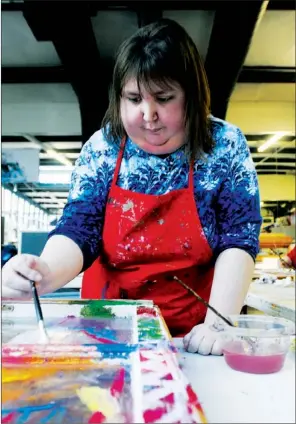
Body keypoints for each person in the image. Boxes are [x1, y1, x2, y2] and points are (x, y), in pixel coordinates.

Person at [2, 19, 262, 355]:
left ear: (192, 96)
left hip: (194, 334)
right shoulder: (103, 147)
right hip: (108, 327)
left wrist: (219, 324)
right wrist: (46, 273)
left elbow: (239, 238)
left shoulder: (223, 145)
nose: (148, 114)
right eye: (134, 98)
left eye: (164, 98)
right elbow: (80, 227)